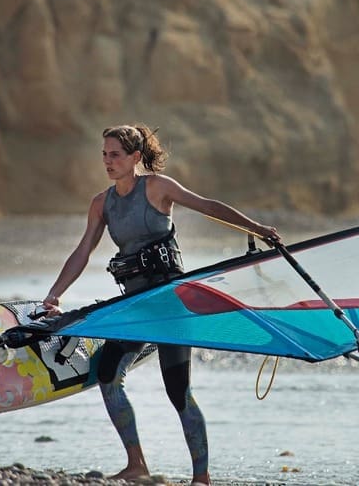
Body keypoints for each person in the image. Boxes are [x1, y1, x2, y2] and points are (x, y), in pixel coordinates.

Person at [42, 124, 279, 485]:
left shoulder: (157, 187)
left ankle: (201, 477)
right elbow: (83, 250)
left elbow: (208, 206)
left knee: (177, 390)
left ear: (135, 157)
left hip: (169, 304)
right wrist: (55, 294)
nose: (107, 161)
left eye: (115, 155)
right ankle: (136, 464)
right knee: (108, 375)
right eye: (104, 154)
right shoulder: (101, 204)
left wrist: (258, 229)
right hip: (137, 306)